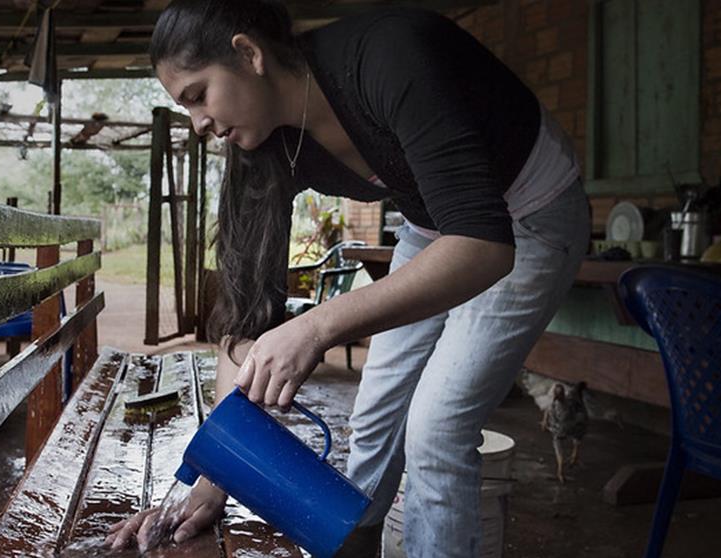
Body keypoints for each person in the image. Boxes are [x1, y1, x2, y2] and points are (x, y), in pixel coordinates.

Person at [106, 1, 590, 556]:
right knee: (376, 419)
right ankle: (352, 546)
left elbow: (482, 245)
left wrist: (316, 328)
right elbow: (244, 328)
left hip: (526, 216)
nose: (198, 125)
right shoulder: (258, 147)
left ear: (248, 54)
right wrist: (216, 479)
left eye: (197, 95)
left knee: (436, 429)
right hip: (433, 226)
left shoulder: (388, 55)